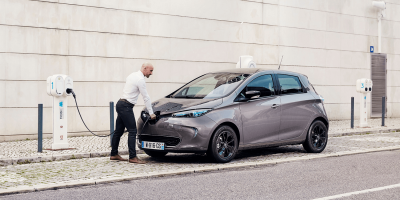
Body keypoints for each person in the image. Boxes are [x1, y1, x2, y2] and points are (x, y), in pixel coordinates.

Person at [110, 63, 156, 164]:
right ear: (144, 68)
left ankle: (114, 154)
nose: (151, 73)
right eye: (150, 71)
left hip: (120, 104)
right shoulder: (140, 80)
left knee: (118, 131)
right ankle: (133, 157)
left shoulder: (132, 75)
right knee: (132, 131)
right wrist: (151, 113)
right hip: (126, 106)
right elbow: (146, 97)